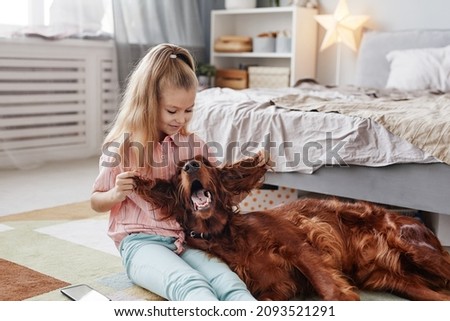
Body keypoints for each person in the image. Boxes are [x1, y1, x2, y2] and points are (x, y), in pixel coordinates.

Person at [90, 43, 256, 301]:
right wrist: (115, 194)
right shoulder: (122, 148)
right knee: (191, 285)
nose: (181, 119)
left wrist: (242, 182)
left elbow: (218, 190)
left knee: (229, 284)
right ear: (146, 103)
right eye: (172, 111)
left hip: (188, 240)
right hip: (141, 244)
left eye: (188, 110)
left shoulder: (194, 145)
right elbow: (96, 201)